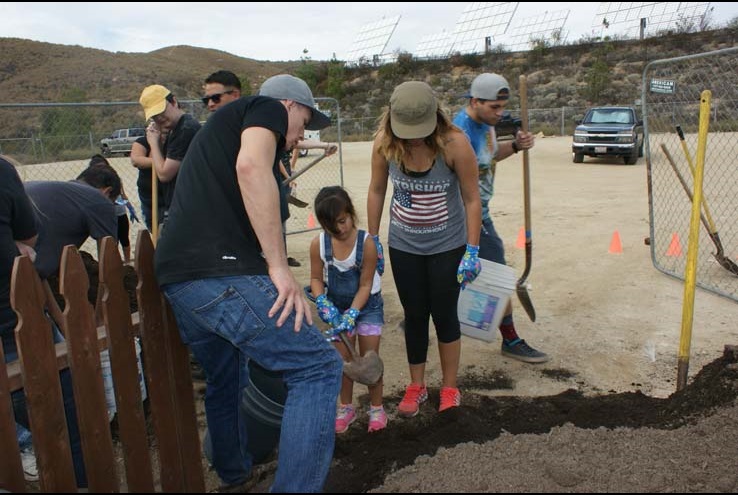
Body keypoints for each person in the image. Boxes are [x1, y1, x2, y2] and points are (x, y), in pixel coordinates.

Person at [154, 74, 342, 492]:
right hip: (216, 273)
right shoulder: (267, 107)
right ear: (291, 106)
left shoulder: (223, 132)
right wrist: (278, 270)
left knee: (228, 377)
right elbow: (250, 166)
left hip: (180, 279)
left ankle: (234, 475)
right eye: (304, 123)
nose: (299, 137)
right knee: (317, 366)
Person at [367, 81, 482, 417]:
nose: (414, 137)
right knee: (414, 316)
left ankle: (449, 387)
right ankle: (416, 386)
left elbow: (472, 198)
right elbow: (376, 190)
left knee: (444, 314)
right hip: (405, 246)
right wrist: (373, 239)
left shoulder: (455, 144)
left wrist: (472, 249)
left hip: (448, 245)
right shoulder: (384, 145)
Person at [1, 155, 87, 487]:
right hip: (15, 328)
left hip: (16, 327)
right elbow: (30, 238)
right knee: (66, 428)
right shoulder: (3, 170)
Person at [453, 73, 549, 364]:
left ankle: (420, 315)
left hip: (479, 211)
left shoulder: (487, 125)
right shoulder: (461, 132)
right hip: (466, 215)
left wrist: (518, 146)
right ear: (475, 101)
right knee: (497, 273)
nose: (500, 112)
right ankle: (511, 340)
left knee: (457, 273)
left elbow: (491, 157)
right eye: (494, 107)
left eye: (502, 106)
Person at [308, 185, 386, 434]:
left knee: (369, 360)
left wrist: (353, 313)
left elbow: (365, 284)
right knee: (343, 361)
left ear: (351, 212)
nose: (340, 229)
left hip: (367, 306)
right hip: (336, 307)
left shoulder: (367, 244)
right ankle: (346, 407)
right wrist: (322, 301)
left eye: (343, 221)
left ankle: (376, 408)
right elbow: (316, 279)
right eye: (333, 226)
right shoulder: (318, 245)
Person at [138, 84, 201, 225]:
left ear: (174, 101)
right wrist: (160, 139)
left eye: (162, 111)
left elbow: (164, 174)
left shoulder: (186, 129)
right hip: (180, 206)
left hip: (189, 209)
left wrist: (153, 143)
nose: (160, 118)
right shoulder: (174, 129)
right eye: (155, 116)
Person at [130, 131, 167, 231]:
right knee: (153, 228)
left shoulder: (174, 142)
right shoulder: (143, 142)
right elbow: (136, 160)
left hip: (169, 198)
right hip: (149, 199)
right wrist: (161, 161)